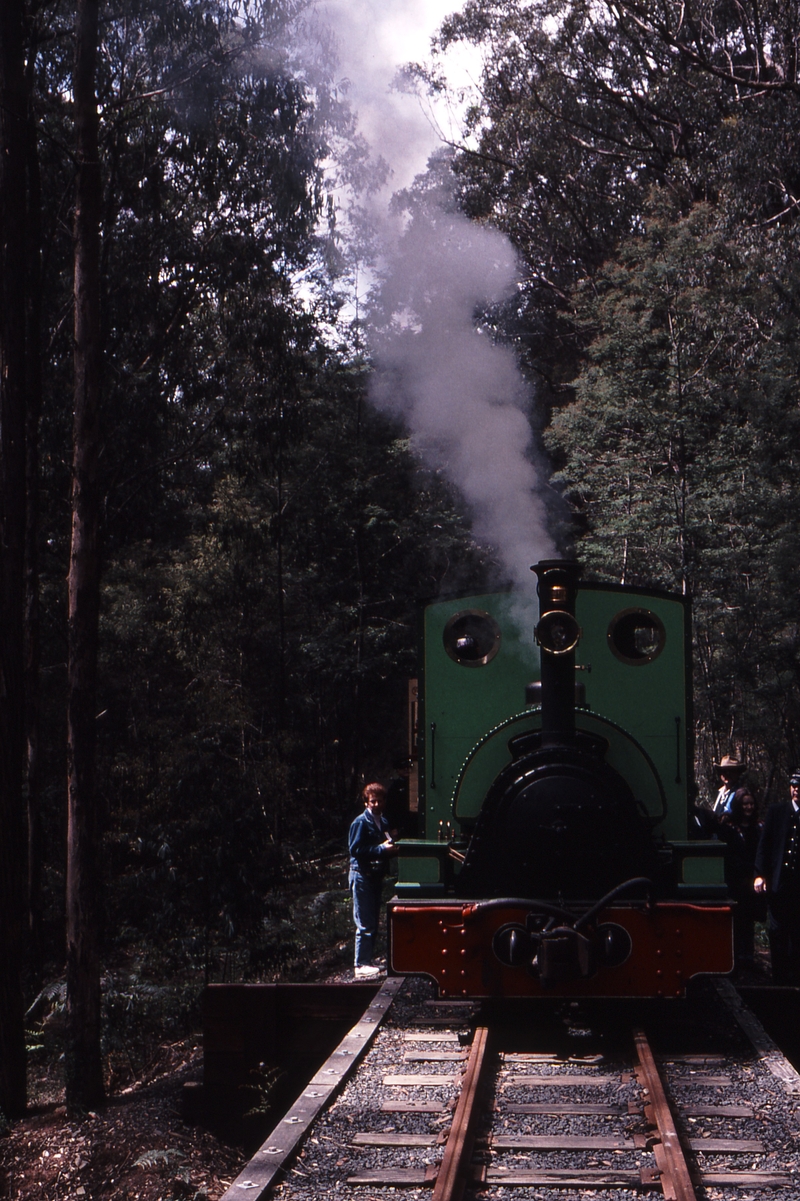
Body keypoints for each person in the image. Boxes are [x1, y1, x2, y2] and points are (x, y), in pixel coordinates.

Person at [348, 782, 399, 979]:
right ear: (366, 803)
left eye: (379, 801)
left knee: (374, 920)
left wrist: (392, 849)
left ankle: (367, 960)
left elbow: (385, 844)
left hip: (375, 876)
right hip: (361, 875)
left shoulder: (383, 822)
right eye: (372, 801)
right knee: (364, 921)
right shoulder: (360, 823)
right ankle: (360, 964)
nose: (376, 805)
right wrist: (381, 849)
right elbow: (356, 850)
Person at [754, 772, 800, 984]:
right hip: (778, 883)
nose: (796, 789)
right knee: (777, 929)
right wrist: (760, 875)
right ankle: (779, 978)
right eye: (793, 785)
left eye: (799, 785)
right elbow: (764, 847)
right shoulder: (777, 811)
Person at [722, 787, 763, 971]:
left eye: (751, 804)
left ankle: (748, 958)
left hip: (752, 879)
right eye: (745, 804)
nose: (749, 807)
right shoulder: (730, 828)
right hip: (735, 879)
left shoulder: (758, 827)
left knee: (749, 920)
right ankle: (735, 959)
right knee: (736, 920)